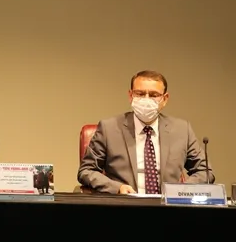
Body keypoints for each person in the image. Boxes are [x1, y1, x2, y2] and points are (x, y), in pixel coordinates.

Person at [77, 70, 213, 194]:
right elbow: (86, 171)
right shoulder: (109, 128)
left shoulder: (182, 130)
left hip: (169, 207)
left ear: (165, 99)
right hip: (124, 206)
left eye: (154, 95)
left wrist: (181, 190)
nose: (146, 99)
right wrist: (117, 188)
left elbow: (205, 171)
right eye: (140, 94)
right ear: (130, 95)